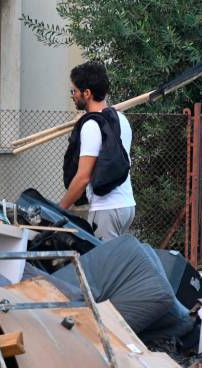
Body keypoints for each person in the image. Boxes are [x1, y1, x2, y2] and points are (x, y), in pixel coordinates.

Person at [59, 61, 136, 242]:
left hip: (106, 210)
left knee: (104, 268)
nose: (73, 96)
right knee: (115, 263)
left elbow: (83, 177)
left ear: (87, 93)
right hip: (127, 206)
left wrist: (61, 208)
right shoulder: (121, 119)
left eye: (74, 91)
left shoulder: (92, 126)